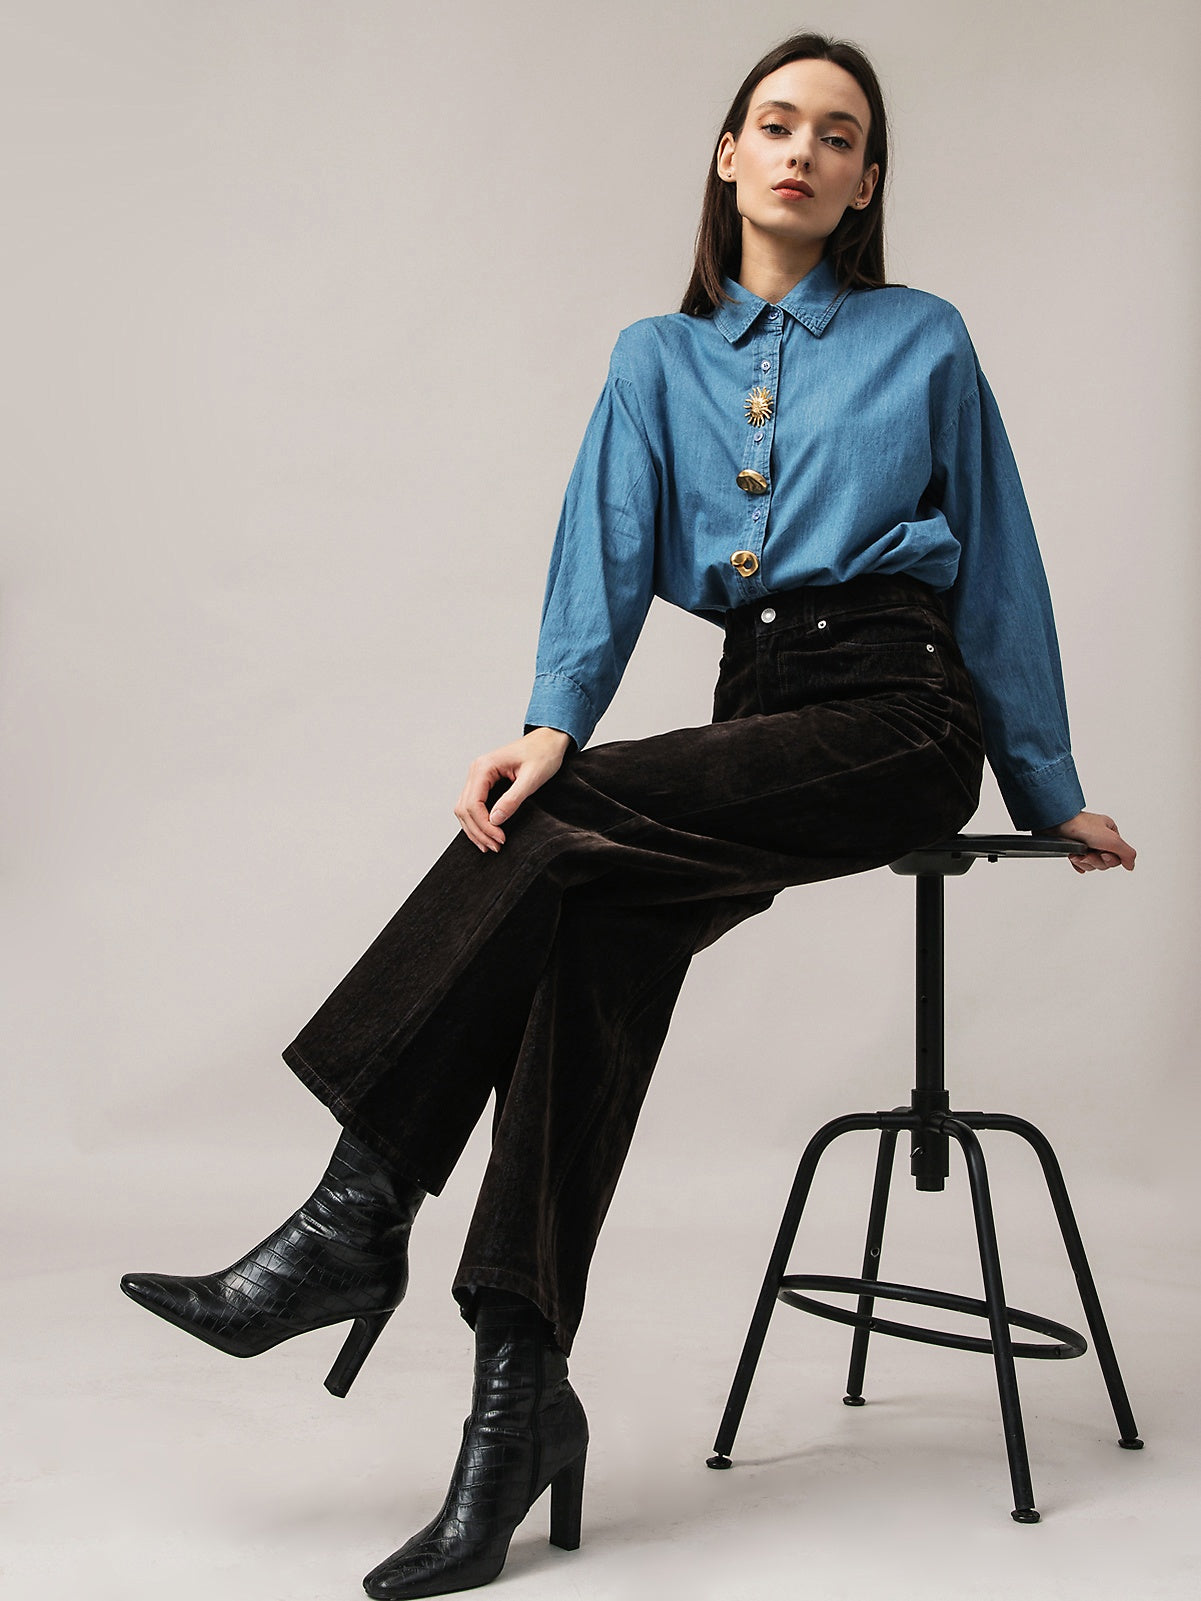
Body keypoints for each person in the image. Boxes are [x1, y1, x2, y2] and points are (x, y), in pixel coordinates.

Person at [120, 30, 1136, 1600]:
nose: (801, 151)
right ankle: (517, 1403)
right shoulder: (653, 361)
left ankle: (353, 1211)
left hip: (896, 712)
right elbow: (599, 555)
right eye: (775, 123)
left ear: (866, 182)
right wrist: (548, 726)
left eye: (838, 135)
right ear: (727, 154)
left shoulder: (923, 337)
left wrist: (1048, 789)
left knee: (570, 830)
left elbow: (997, 562)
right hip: (756, 709)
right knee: (580, 936)